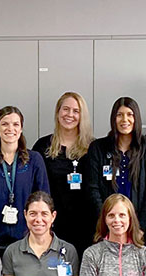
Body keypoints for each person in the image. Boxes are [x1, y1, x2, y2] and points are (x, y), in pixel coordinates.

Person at [87, 97, 146, 250]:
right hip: (107, 231)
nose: (125, 119)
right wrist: (107, 224)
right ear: (113, 119)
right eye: (119, 115)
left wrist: (139, 229)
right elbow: (93, 189)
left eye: (130, 114)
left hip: (142, 233)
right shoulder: (98, 147)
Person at [0, 106, 50, 252]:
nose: (10, 128)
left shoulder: (34, 160)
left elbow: (44, 199)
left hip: (27, 237)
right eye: (5, 124)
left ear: (21, 129)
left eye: (15, 124)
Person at [32, 92, 94, 253]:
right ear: (58, 112)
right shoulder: (42, 146)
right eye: (65, 109)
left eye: (76, 111)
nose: (70, 115)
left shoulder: (93, 148)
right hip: (51, 225)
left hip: (86, 225)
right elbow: (35, 188)